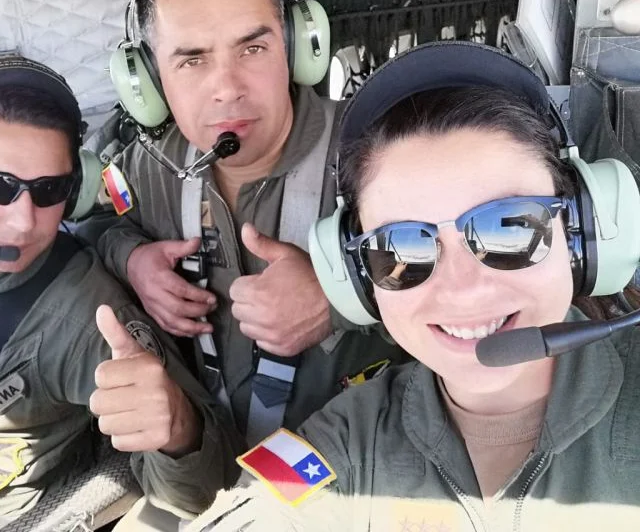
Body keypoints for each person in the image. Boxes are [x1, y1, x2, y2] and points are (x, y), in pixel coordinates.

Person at [189, 42, 640, 531]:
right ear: (358, 280)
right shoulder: (350, 437)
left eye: (509, 227)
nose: (462, 289)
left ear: (579, 230)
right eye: (402, 247)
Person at [0, 55, 240, 531]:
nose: (25, 221)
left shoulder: (86, 319)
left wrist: (177, 429)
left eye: (49, 189)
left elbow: (202, 491)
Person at [100, 0, 405, 452]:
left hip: (368, 461)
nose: (228, 86)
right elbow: (100, 226)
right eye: (192, 60)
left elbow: (474, 270)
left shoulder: (380, 152)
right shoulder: (146, 168)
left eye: (253, 47)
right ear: (149, 82)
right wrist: (132, 260)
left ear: (295, 47)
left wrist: (342, 295)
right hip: (214, 464)